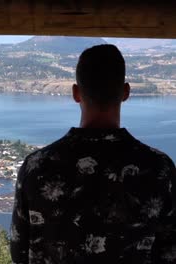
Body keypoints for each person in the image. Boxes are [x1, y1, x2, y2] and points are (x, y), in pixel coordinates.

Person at [10, 44, 176, 263]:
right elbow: (170, 253)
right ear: (126, 92)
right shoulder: (159, 169)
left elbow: (19, 251)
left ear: (76, 93)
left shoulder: (36, 167)